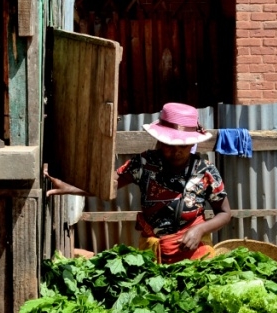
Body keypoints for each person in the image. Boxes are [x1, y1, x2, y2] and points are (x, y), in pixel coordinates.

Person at [46, 102, 233, 264]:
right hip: (154, 251)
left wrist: (200, 229)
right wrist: (68, 187)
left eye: (182, 146)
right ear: (159, 141)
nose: (176, 151)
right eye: (169, 144)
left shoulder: (205, 171)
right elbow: (109, 184)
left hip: (195, 251)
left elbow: (224, 213)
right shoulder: (144, 163)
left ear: (192, 143)